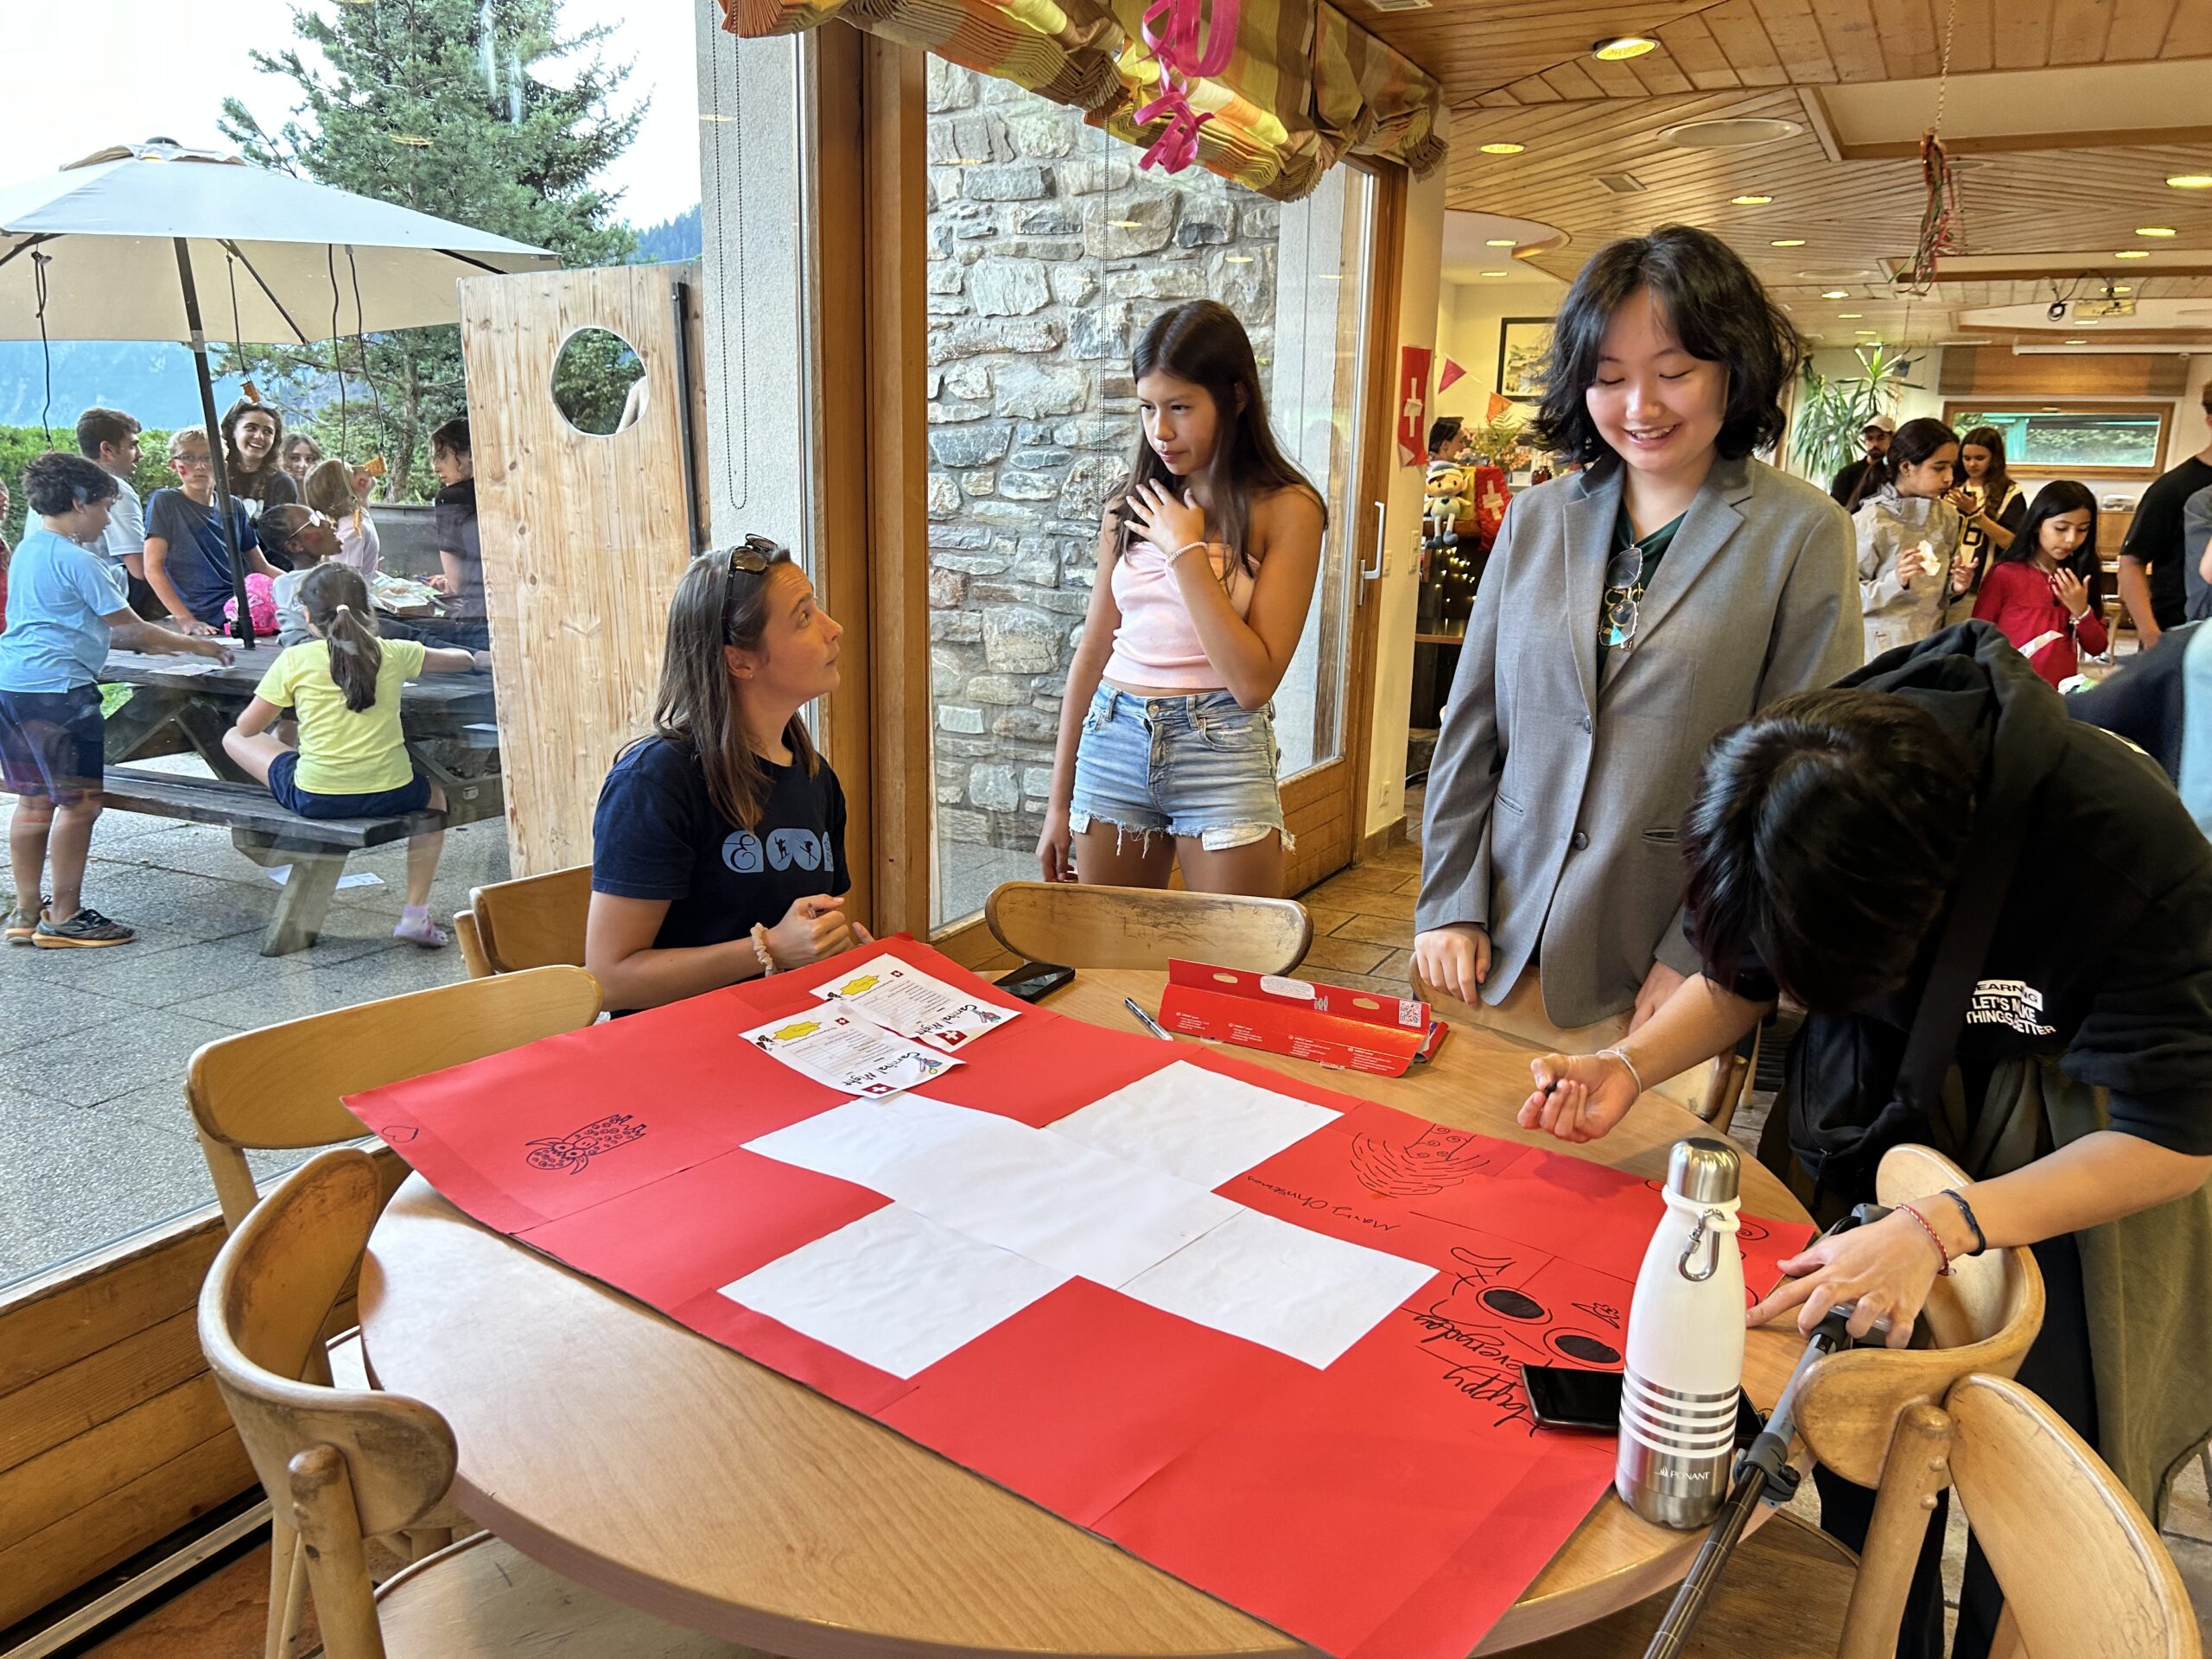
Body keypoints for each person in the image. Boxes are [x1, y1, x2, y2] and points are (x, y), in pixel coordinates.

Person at [1516, 623, 2212, 1659]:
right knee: (1851, 1399)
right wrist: (1628, 1065)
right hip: (1883, 1083)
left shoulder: (2120, 849)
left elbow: (2176, 1140)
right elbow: (1743, 979)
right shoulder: (1797, 786)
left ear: (1915, 919)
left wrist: (1943, 1224)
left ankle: (1993, 1639)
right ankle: (1882, 1619)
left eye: (1810, 980)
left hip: (2077, 1117)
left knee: (2048, 1426)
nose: (1780, 992)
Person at [1412, 226, 1859, 1057]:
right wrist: (1450, 900)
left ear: (1734, 367)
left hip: (1658, 958)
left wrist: (1702, 952)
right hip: (1493, 942)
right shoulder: (1540, 518)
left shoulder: (1802, 534)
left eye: (1675, 374)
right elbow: (1471, 726)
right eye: (1609, 379)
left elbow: (1797, 785)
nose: (1640, 408)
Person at [1036, 301, 1325, 899]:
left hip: (1221, 742)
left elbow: (1253, 683)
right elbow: (1093, 649)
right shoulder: (1128, 504)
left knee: (1235, 966)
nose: (1160, 431)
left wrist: (1186, 552)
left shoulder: (1289, 509)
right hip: (1113, 735)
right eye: (1147, 408)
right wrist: (1057, 802)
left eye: (1180, 408)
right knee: (1108, 965)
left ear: (1236, 397)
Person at [584, 538, 867, 1014]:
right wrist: (769, 949)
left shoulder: (818, 779)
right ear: (740, 660)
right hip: (681, 1054)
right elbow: (609, 979)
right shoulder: (655, 781)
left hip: (791, 1035)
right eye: (803, 617)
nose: (833, 628)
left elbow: (814, 935)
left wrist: (847, 953)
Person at [3, 454, 232, 948]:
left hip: (14, 684)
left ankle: (25, 911)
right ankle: (64, 915)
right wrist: (199, 644)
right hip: (60, 693)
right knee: (81, 804)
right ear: (77, 502)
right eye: (105, 507)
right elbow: (131, 631)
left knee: (34, 800)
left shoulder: (28, 549)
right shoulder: (78, 560)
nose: (108, 519)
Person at [219, 563, 474, 949]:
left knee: (231, 737)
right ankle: (414, 913)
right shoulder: (394, 652)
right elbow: (459, 660)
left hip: (317, 796)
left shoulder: (295, 660)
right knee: (435, 797)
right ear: (368, 609)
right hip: (395, 790)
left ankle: (303, 770)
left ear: (306, 614)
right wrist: (475, 657)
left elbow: (248, 727)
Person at [143, 428, 280, 635]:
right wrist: (186, 620)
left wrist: (303, 582)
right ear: (174, 465)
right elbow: (153, 568)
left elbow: (260, 566)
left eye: (209, 458)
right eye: (188, 458)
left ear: (222, 466)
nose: (199, 466)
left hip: (244, 600)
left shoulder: (233, 506)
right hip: (207, 611)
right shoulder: (166, 502)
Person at [1971, 480, 2108, 687]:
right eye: (2061, 528)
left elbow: (2097, 647)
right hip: (2009, 689)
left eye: (2082, 530)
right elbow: (1977, 636)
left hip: (2056, 695)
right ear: (2037, 524)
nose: (2071, 539)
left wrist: (2082, 612)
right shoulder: (2005, 574)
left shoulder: (2080, 576)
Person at [1854, 416, 1964, 658]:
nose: (1949, 478)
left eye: (1951, 467)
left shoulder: (1947, 515)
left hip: (1931, 640)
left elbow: (1938, 590)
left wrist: (1956, 586)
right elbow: (1848, 597)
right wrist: (1896, 579)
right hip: (1880, 647)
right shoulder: (1871, 520)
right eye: (1939, 467)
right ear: (1905, 467)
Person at [2116, 381, 2212, 649]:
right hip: (2178, 634)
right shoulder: (2173, 488)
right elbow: (2131, 562)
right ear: (2210, 421)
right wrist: (2150, 634)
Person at [73, 407, 160, 617]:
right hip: (102, 599)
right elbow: (140, 570)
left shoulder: (56, 484)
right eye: (133, 446)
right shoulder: (114, 489)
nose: (140, 454)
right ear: (107, 450)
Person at [418, 415, 490, 652]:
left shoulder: (450, 498)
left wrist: (450, 581)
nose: (435, 467)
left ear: (469, 453)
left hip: (477, 622)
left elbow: (457, 586)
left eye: (442, 456)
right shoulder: (499, 491)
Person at [1942, 423, 2027, 622]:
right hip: (1942, 580)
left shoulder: (2010, 493)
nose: (1972, 464)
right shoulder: (1950, 486)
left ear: (1994, 459)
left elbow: (2013, 542)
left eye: (1980, 458)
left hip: (1980, 584)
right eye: (1966, 458)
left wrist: (1976, 515)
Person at [257, 505, 343, 647]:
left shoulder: (334, 571)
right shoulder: (288, 584)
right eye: (315, 522)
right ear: (295, 545)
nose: (327, 523)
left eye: (319, 515)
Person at [217, 398, 299, 524]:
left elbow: (283, 535)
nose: (259, 436)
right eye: (251, 428)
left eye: (268, 432)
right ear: (233, 431)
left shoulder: (282, 484)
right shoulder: (215, 477)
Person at [303, 458, 379, 580]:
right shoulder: (353, 530)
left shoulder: (359, 520)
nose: (362, 467)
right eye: (353, 472)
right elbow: (343, 582)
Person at [1828, 412, 1894, 509]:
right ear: (1864, 441)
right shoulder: (1848, 474)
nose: (1874, 444)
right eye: (1870, 438)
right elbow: (1835, 509)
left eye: (1881, 438)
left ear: (1892, 439)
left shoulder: (1897, 474)